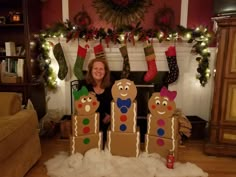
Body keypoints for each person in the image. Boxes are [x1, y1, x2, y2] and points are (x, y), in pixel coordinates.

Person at [79, 57, 112, 149]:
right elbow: (80, 107)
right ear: (90, 70)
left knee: (106, 145)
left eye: (101, 69)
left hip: (106, 123)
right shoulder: (83, 85)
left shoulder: (111, 85)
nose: (98, 71)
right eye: (95, 68)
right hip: (89, 122)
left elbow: (115, 104)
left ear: (105, 72)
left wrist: (111, 114)